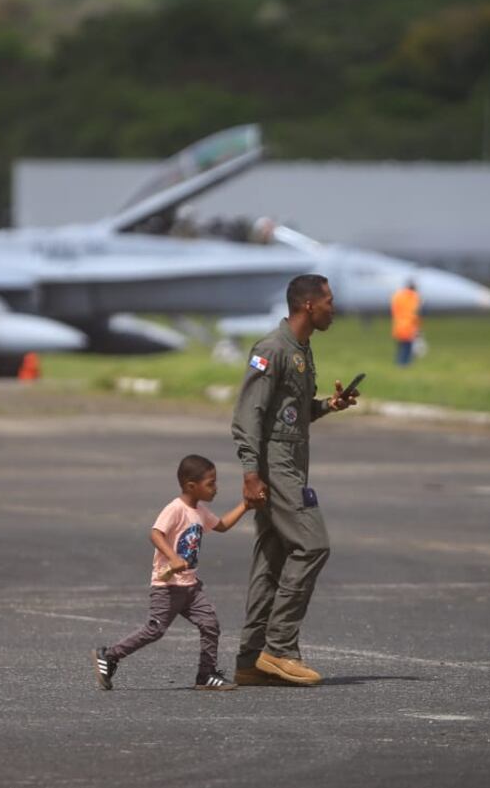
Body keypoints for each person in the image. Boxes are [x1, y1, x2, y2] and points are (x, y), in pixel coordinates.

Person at [230, 273, 358, 687]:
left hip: (291, 460)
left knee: (274, 556)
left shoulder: (301, 349)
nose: (332, 308)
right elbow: (248, 414)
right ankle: (280, 648)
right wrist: (251, 472)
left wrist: (327, 406)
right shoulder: (271, 348)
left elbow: (289, 414)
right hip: (276, 464)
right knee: (313, 544)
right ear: (308, 305)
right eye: (328, 301)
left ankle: (250, 660)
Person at [91, 454, 253, 692]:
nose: (215, 489)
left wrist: (246, 505)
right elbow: (155, 533)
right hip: (166, 586)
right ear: (191, 486)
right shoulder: (175, 509)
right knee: (154, 630)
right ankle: (109, 655)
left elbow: (223, 526)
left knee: (210, 624)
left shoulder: (200, 511)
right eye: (210, 484)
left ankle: (206, 675)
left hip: (190, 586)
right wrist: (174, 558)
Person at [391, 280, 421, 367]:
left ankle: (399, 362)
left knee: (401, 346)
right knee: (407, 347)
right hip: (409, 326)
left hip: (398, 325)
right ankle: (404, 364)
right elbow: (415, 312)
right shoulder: (413, 297)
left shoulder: (398, 295)